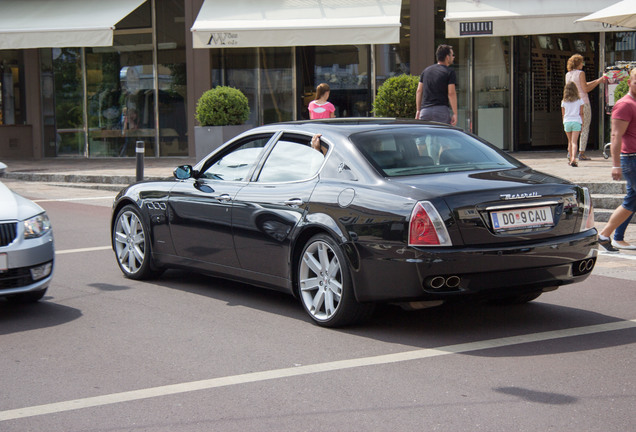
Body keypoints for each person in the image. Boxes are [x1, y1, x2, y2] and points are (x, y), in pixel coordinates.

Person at [597, 67, 636, 252]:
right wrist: (616, 165)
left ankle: (608, 236)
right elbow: (615, 135)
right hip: (631, 159)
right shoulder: (625, 104)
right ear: (629, 83)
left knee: (631, 201)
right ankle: (608, 236)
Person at [565, 54, 606, 161]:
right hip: (583, 102)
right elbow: (586, 88)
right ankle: (581, 152)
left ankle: (570, 152)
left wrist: (598, 80)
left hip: (571, 103)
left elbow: (582, 85)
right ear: (578, 63)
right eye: (582, 62)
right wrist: (599, 81)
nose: (583, 64)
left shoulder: (568, 75)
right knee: (584, 127)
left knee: (572, 128)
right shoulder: (581, 73)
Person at [415, 44, 457, 126]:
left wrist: (418, 110)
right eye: (452, 55)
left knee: (423, 137)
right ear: (447, 57)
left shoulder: (426, 71)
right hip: (441, 110)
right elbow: (451, 93)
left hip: (425, 111)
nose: (453, 57)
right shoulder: (449, 72)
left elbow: (419, 91)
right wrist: (455, 113)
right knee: (442, 136)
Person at [561, 81, 584, 167]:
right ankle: (574, 158)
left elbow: (563, 114)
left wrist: (564, 123)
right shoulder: (579, 100)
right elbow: (581, 113)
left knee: (569, 142)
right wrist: (582, 124)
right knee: (574, 142)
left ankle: (570, 159)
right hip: (576, 121)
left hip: (567, 121)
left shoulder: (563, 101)